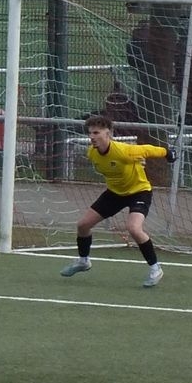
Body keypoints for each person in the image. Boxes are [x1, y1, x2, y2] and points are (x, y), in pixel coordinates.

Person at [59, 113, 169, 287]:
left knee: (133, 228)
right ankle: (83, 261)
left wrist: (168, 153)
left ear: (108, 133)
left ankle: (155, 268)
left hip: (139, 192)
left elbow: (148, 150)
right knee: (83, 225)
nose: (92, 137)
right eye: (90, 133)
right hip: (114, 193)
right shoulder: (92, 153)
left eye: (96, 133)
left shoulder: (124, 151)